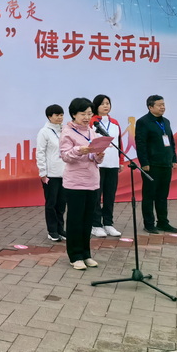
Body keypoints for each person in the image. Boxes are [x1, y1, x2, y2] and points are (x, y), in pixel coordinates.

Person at [60, 98, 104, 270]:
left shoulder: (92, 131)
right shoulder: (67, 132)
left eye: (89, 114)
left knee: (87, 220)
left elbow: (94, 158)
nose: (87, 117)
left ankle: (86, 254)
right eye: (83, 114)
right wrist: (79, 150)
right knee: (75, 220)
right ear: (73, 114)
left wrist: (98, 156)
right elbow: (65, 156)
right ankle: (75, 255)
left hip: (92, 181)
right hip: (75, 182)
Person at [135, 95, 177, 234]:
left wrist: (174, 158)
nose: (163, 107)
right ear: (150, 107)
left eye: (163, 104)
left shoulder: (166, 121)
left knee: (162, 195)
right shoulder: (143, 122)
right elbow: (140, 144)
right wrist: (144, 162)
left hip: (166, 163)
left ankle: (163, 222)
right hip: (151, 165)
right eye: (159, 105)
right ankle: (149, 224)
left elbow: (171, 141)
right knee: (149, 195)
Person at [90, 94, 125, 238]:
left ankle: (108, 223)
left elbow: (119, 142)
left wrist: (121, 161)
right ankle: (96, 224)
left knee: (110, 195)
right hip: (98, 164)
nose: (106, 106)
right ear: (96, 106)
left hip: (113, 163)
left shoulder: (115, 122)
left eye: (108, 103)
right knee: (96, 195)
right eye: (102, 103)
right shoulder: (92, 121)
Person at [36, 104, 66, 242]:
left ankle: (60, 229)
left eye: (61, 115)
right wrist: (43, 172)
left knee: (61, 204)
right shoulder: (44, 132)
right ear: (49, 116)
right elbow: (40, 152)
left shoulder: (65, 131)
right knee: (51, 204)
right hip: (51, 174)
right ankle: (52, 230)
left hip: (65, 173)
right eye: (57, 115)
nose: (60, 117)